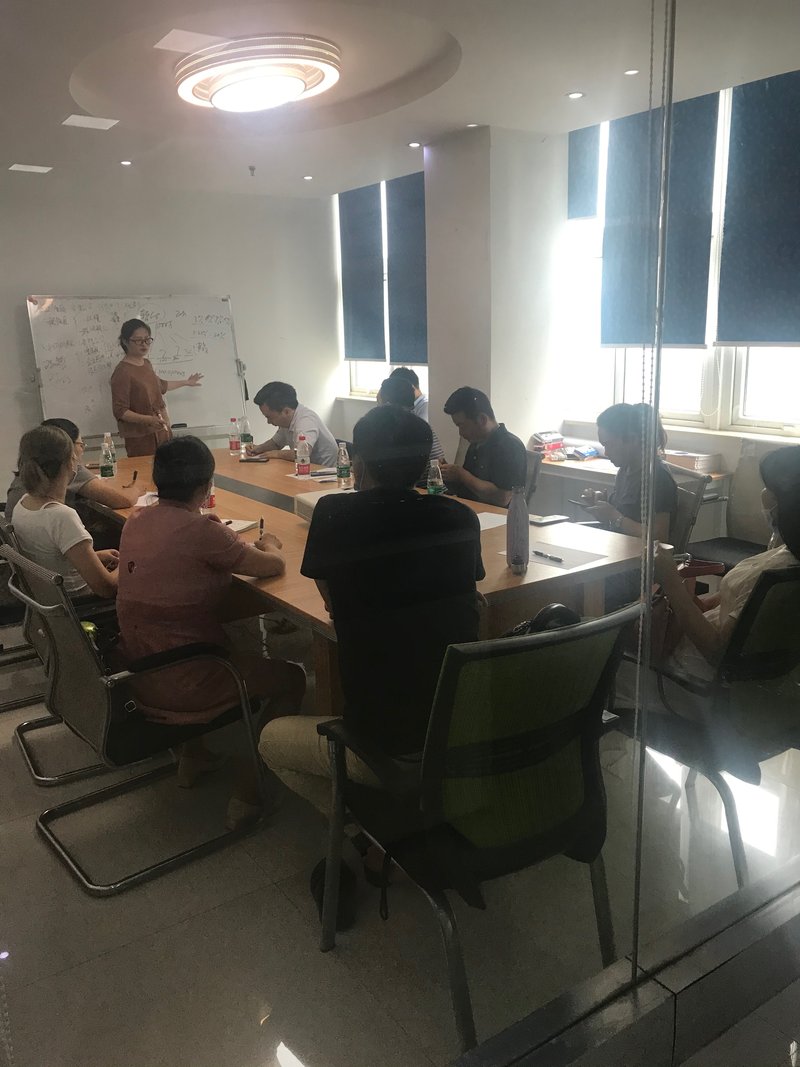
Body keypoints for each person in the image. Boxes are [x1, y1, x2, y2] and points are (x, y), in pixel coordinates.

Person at [259, 406, 485, 922]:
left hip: (385, 742)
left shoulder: (336, 514)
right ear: (425, 463)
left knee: (271, 739)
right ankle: (404, 822)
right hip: (462, 729)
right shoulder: (459, 517)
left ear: (357, 461)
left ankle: (375, 838)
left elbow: (333, 604)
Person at [116, 436, 306, 828]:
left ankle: (195, 756)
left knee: (174, 628)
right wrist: (270, 544)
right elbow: (271, 566)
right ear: (206, 486)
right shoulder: (203, 532)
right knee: (293, 678)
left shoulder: (136, 520)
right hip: (188, 678)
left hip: (137, 667)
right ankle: (249, 790)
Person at [617, 446, 800, 721]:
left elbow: (718, 652)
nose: (763, 494)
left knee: (602, 666)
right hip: (767, 692)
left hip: (698, 685)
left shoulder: (775, 572)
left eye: (768, 488)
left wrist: (670, 580)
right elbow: (736, 610)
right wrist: (689, 600)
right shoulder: (784, 559)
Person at [10, 425, 119, 598]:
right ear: (71, 463)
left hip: (49, 598)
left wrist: (94, 557)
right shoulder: (62, 516)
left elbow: (49, 557)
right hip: (81, 602)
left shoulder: (23, 504)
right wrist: (128, 563)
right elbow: (107, 588)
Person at [5, 418, 133, 521]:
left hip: (22, 540)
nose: (82, 450)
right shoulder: (64, 469)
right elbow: (123, 500)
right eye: (80, 445)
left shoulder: (31, 467)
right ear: (67, 447)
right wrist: (136, 489)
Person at [110, 318, 203, 458]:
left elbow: (161, 386)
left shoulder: (146, 364)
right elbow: (120, 411)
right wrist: (149, 419)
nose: (144, 344)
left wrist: (186, 382)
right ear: (125, 341)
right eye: (138, 340)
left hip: (162, 432)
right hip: (141, 439)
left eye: (147, 339)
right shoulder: (122, 372)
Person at [583, 403, 676, 542]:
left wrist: (614, 516)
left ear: (632, 440)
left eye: (609, 444)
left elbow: (659, 538)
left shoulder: (658, 478)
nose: (606, 452)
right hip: (619, 546)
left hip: (635, 554)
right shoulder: (625, 470)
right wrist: (601, 507)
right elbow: (622, 517)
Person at [440, 386, 527, 506]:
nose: (460, 433)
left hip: (498, 515)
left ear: (482, 419)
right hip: (472, 509)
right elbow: (466, 490)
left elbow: (503, 498)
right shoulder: (476, 444)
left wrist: (462, 475)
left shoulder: (510, 446)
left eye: (462, 425)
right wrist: (448, 475)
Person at [247, 381, 338, 467]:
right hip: (305, 470)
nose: (268, 422)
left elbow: (303, 453)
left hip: (324, 473)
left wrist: (277, 454)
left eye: (270, 417)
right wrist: (258, 448)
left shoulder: (306, 420)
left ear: (286, 411)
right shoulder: (287, 422)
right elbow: (275, 444)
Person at [377, 376, 445, 462]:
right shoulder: (423, 426)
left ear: (387, 404)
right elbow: (441, 462)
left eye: (379, 405)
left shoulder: (386, 430)